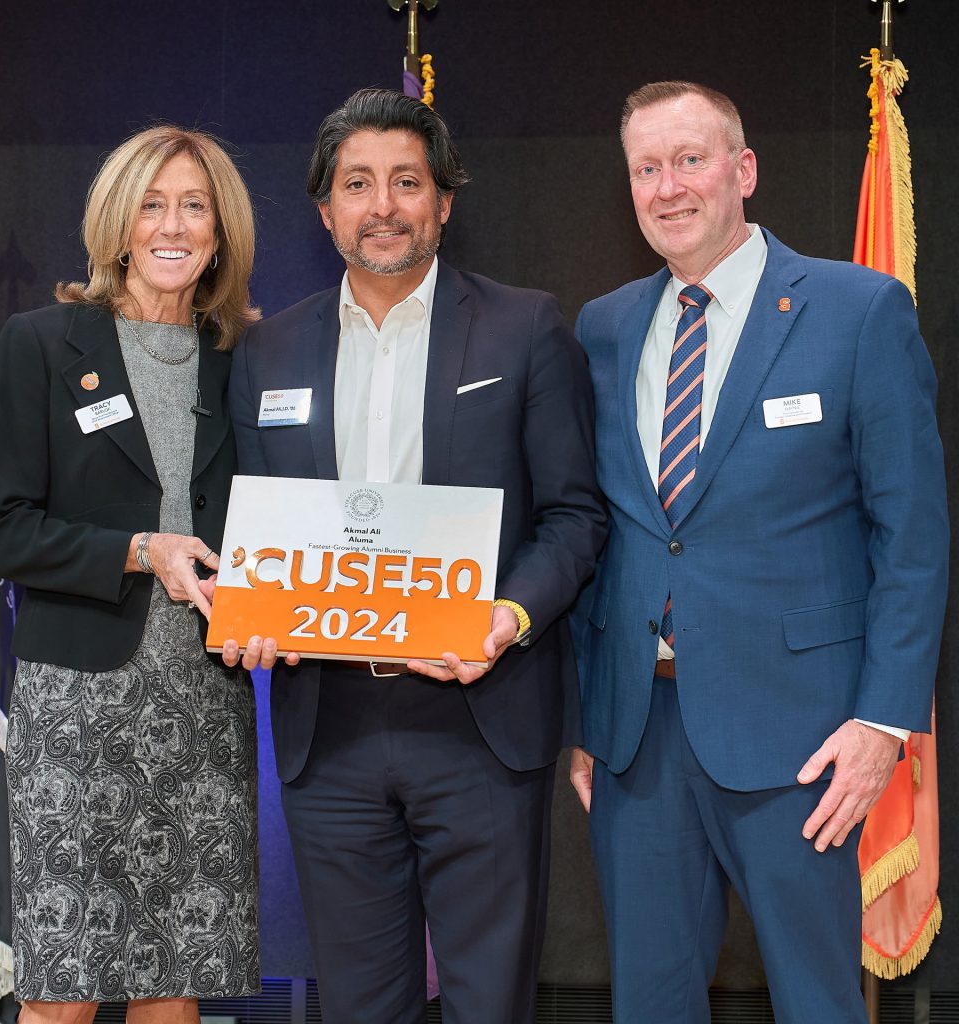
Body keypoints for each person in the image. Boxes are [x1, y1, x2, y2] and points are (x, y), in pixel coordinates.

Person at [222, 88, 606, 1023]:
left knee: (489, 1002)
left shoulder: (525, 328)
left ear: (443, 202)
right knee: (360, 1005)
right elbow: (249, 527)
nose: (382, 204)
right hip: (331, 729)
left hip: (480, 716)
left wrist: (506, 620)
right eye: (358, 184)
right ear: (325, 210)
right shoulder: (266, 350)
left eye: (406, 181)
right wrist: (248, 614)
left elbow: (574, 517)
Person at [570, 79, 949, 1023]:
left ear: (743, 170)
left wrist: (884, 723)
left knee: (818, 1003)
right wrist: (585, 713)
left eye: (690, 160)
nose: (667, 187)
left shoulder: (859, 311)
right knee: (650, 1005)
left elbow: (913, 535)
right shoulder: (604, 329)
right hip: (637, 740)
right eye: (645, 168)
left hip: (805, 742)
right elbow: (602, 529)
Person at [0, 125, 262, 1024]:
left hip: (206, 701)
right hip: (79, 704)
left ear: (220, 231)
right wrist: (140, 550)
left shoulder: (245, 354)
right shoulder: (42, 342)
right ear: (118, 223)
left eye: (194, 206)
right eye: (152, 204)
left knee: (174, 983)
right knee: (65, 988)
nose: (173, 225)